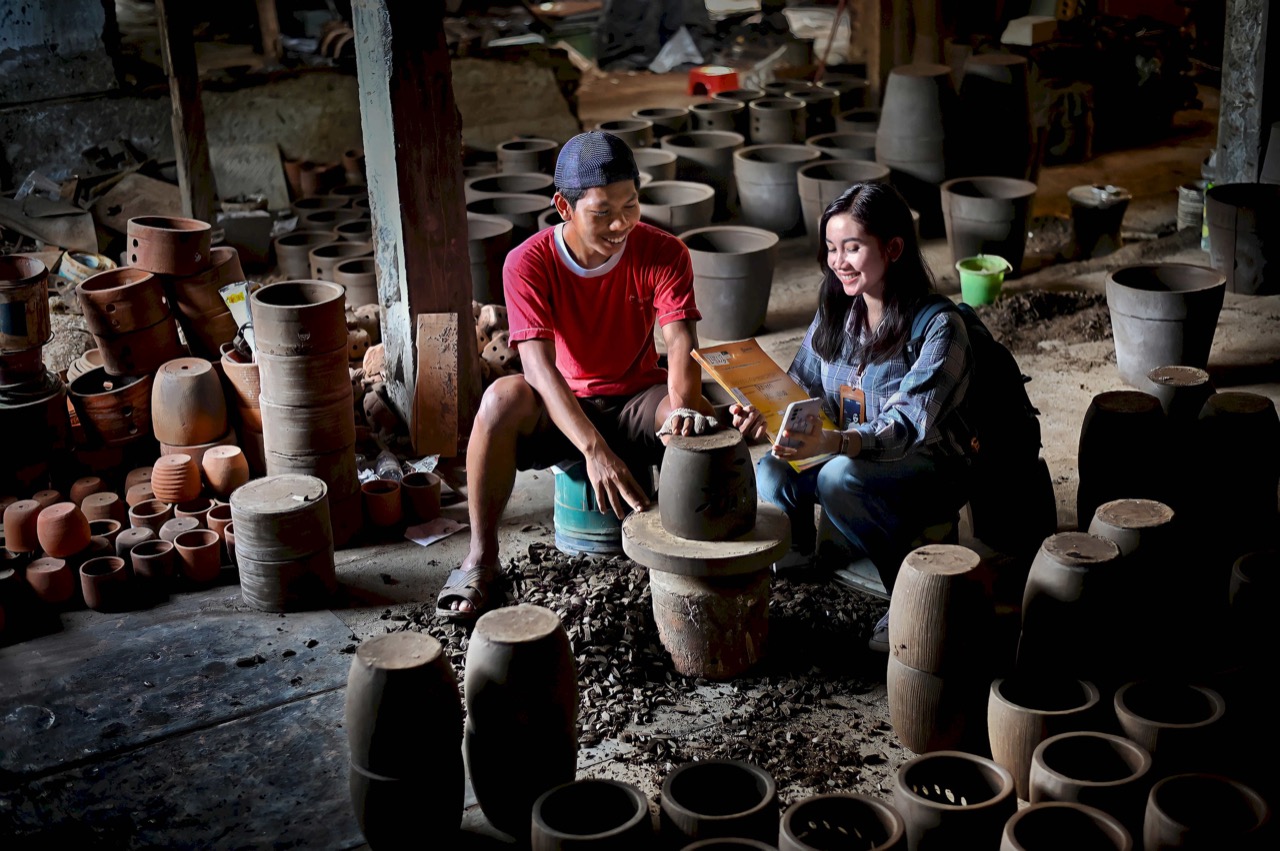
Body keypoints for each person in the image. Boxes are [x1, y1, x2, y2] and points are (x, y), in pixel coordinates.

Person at [437, 130, 716, 621]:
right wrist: (594, 450)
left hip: (635, 400)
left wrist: (685, 407)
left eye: (630, 205)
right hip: (563, 405)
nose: (621, 223)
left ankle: (691, 557)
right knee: (501, 398)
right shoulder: (527, 262)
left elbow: (680, 343)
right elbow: (539, 370)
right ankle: (482, 557)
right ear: (563, 208)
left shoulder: (664, 251)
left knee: (695, 417)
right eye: (602, 212)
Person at [731, 182, 975, 652]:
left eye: (853, 247)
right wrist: (763, 412)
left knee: (838, 478)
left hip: (931, 467)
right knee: (774, 470)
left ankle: (907, 594)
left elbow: (907, 426)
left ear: (893, 248)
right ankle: (800, 565)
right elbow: (800, 388)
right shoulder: (836, 315)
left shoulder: (940, 327)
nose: (837, 261)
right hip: (851, 451)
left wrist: (835, 443)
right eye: (830, 248)